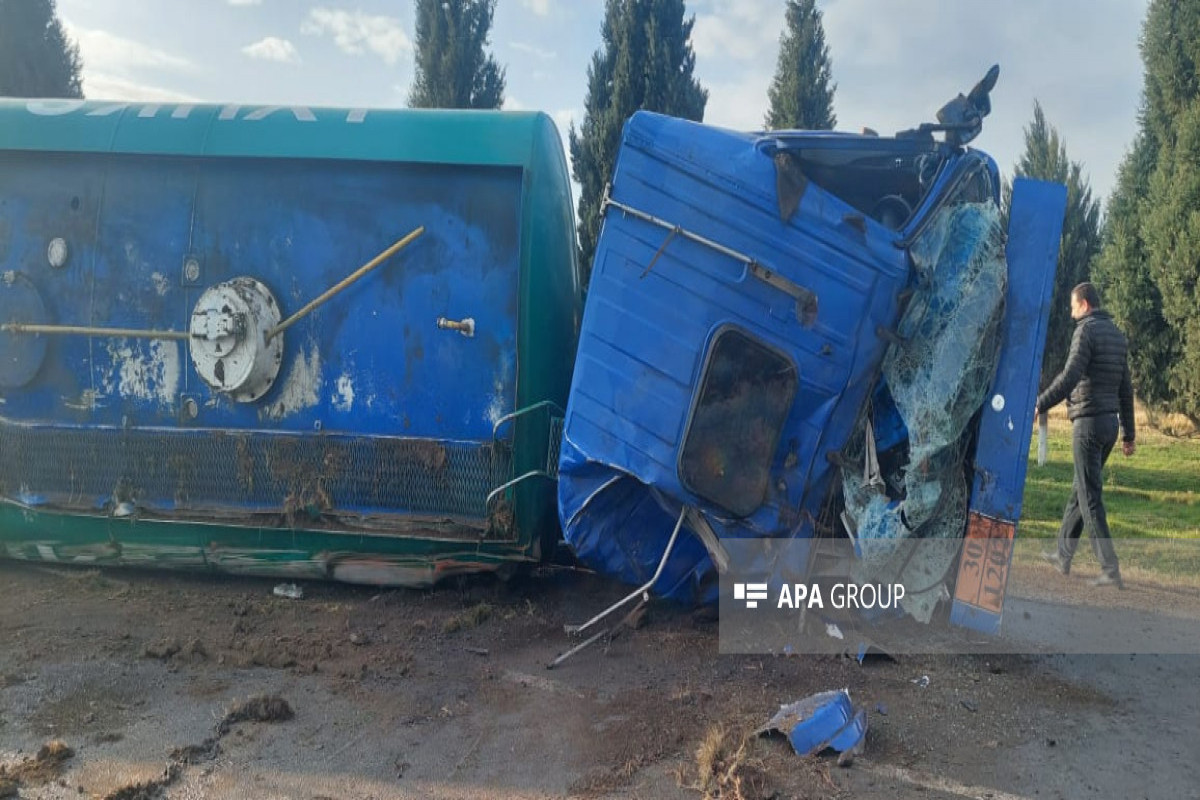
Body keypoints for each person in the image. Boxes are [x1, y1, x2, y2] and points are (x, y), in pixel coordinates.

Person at [1036, 282, 1135, 589]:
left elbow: (1069, 376)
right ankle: (1062, 555)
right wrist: (1129, 434)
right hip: (1109, 425)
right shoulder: (1117, 336)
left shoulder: (1086, 331)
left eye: (1073, 305)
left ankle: (1109, 567)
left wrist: (1040, 403)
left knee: (1090, 497)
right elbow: (1126, 389)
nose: (1070, 311)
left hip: (1088, 425)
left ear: (1086, 305)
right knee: (1081, 489)